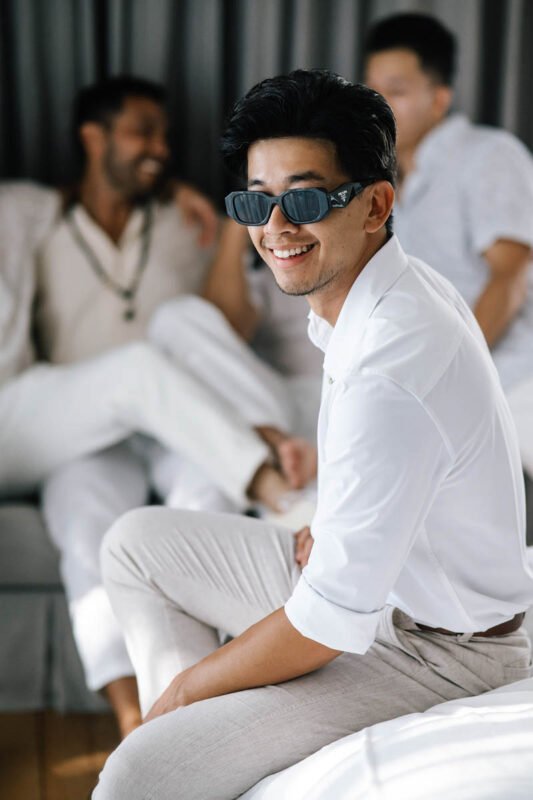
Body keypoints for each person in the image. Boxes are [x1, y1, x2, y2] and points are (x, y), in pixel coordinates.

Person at [93, 69, 533, 799]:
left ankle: (179, 747)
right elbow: (399, 470)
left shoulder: (395, 358)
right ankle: (196, 756)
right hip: (387, 598)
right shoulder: (374, 293)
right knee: (135, 544)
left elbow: (326, 621)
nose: (275, 227)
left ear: (375, 204)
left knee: (136, 773)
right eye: (254, 202)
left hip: (440, 651)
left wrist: (188, 691)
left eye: (303, 198)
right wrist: (332, 520)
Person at [1, 76, 315, 737]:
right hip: (83, 431)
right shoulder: (40, 219)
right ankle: (133, 724)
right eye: (142, 132)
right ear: (93, 138)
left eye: (165, 136)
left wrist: (229, 235)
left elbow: (225, 330)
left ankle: (199, 717)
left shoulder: (181, 223)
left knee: (204, 508)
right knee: (85, 527)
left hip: (180, 426)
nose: (160, 148)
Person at [363, 12, 533, 477]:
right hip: (433, 390)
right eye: (371, 91)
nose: (377, 106)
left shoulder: (488, 154)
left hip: (517, 376)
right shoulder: (381, 186)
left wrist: (450, 374)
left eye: (396, 92)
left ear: (439, 99)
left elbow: (511, 275)